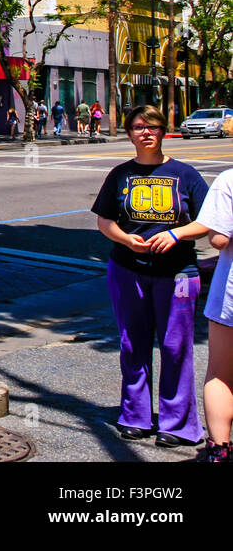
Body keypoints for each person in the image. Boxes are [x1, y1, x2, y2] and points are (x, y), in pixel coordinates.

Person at [91, 104, 208, 447]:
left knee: (175, 348)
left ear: (163, 131)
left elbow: (208, 221)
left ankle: (178, 424)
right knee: (132, 345)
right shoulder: (120, 175)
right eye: (139, 127)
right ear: (129, 133)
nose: (146, 132)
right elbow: (104, 219)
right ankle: (135, 416)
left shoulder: (186, 175)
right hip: (128, 271)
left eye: (153, 126)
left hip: (179, 274)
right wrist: (124, 238)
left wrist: (177, 234)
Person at [167, 166, 233, 462]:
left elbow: (218, 239)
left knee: (221, 373)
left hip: (230, 293)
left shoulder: (228, 180)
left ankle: (219, 448)